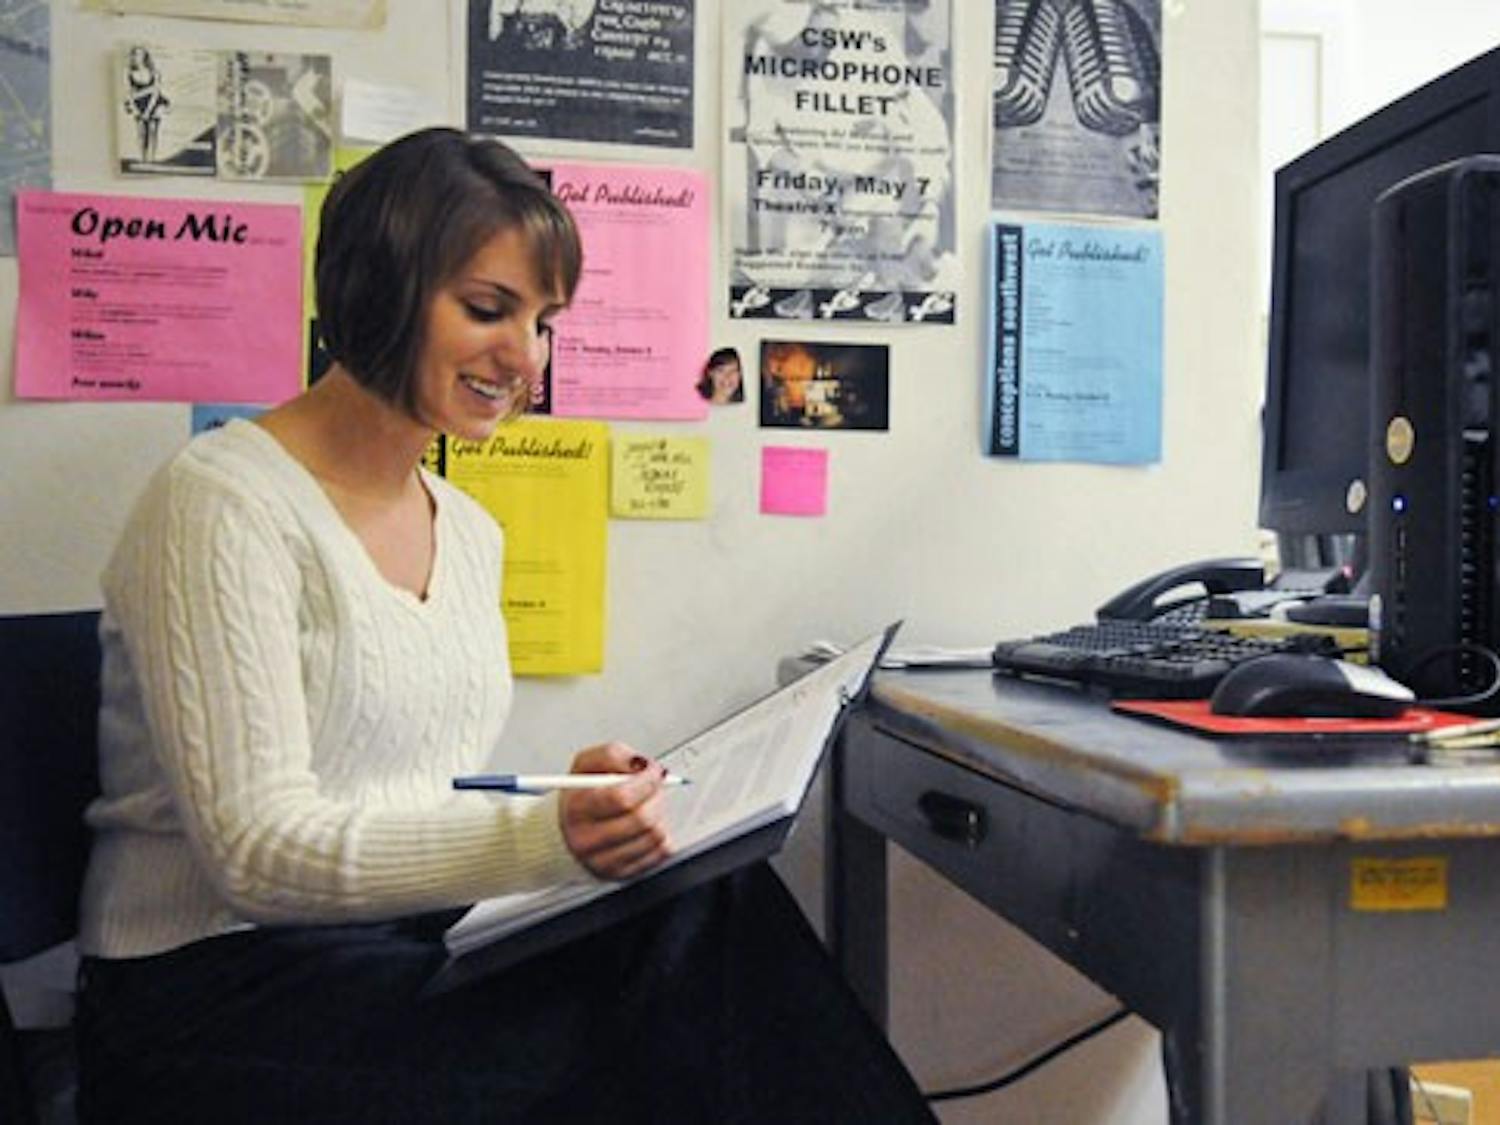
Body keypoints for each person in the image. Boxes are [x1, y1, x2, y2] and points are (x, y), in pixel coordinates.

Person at [73, 127, 935, 1125]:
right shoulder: (220, 503)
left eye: (542, 322)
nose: (523, 357)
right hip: (207, 993)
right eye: (489, 309)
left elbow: (406, 788)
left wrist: (573, 804)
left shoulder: (467, 528)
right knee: (667, 1031)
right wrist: (544, 842)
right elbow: (257, 855)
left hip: (383, 942)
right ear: (379, 289)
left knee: (707, 905)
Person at [122, 46, 168, 164]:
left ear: (145, 56)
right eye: (135, 55)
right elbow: (129, 93)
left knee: (153, 130)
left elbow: (156, 92)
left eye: (140, 54)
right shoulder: (129, 74)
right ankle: (143, 159)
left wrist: (148, 110)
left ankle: (151, 158)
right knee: (141, 132)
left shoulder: (154, 72)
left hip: (154, 103)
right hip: (138, 104)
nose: (137, 57)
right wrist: (136, 109)